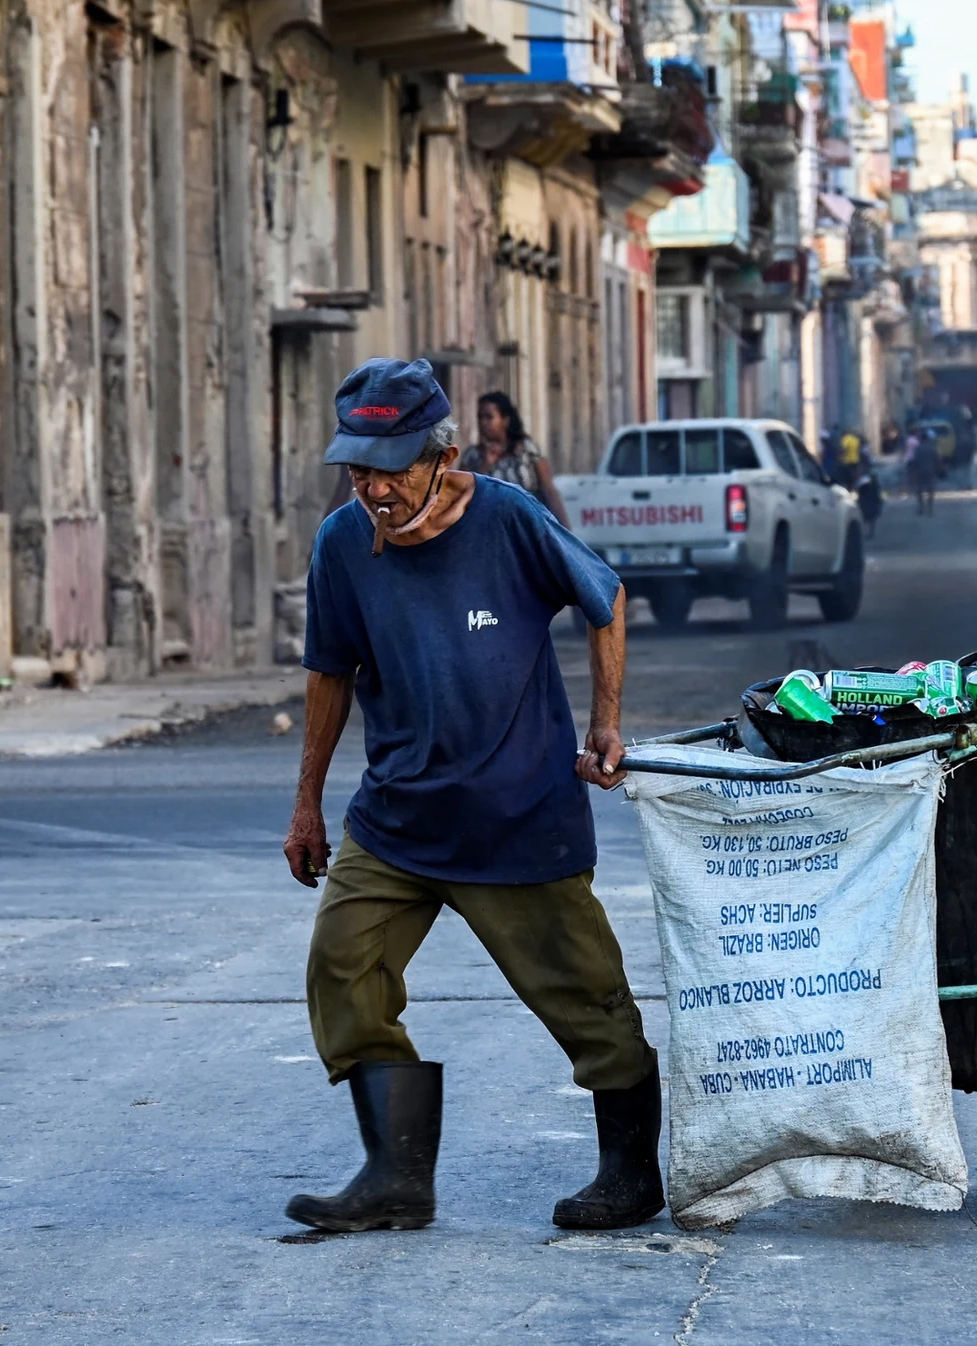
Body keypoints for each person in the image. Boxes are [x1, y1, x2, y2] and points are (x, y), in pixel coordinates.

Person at [281, 358, 661, 1234]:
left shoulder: (509, 518)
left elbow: (605, 597)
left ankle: (630, 1175)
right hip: (397, 817)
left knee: (586, 997)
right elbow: (329, 671)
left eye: (391, 467)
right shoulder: (342, 543)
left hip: (517, 814)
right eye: (358, 467)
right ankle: (395, 1177)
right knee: (344, 966)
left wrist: (606, 723)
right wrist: (307, 802)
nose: (373, 486)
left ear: (441, 457)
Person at [460, 391, 571, 526]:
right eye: (480, 417)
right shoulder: (472, 456)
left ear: (505, 420)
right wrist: (485, 464)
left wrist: (564, 528)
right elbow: (462, 495)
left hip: (528, 523)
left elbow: (549, 490)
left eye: (489, 417)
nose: (483, 423)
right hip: (491, 527)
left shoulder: (527, 449)